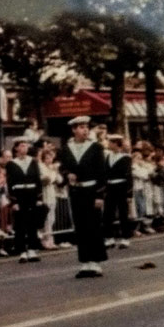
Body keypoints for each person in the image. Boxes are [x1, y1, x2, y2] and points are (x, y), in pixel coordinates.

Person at [59, 116, 108, 278]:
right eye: (81, 127)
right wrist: (68, 174)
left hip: (91, 190)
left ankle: (96, 261)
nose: (85, 130)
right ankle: (85, 262)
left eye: (86, 127)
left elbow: (102, 172)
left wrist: (99, 195)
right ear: (73, 130)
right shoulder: (67, 148)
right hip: (76, 192)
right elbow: (63, 167)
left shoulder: (95, 147)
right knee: (80, 227)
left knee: (93, 225)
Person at [5, 138, 43, 263]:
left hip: (31, 193)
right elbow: (10, 183)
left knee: (32, 222)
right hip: (19, 194)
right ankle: (22, 251)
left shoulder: (33, 161)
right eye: (21, 145)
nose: (24, 148)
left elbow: (38, 180)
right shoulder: (11, 164)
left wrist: (39, 197)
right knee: (20, 223)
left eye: (26, 146)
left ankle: (32, 249)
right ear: (16, 148)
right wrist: (14, 201)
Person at [103, 134, 133, 249]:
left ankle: (125, 237)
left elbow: (129, 176)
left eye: (111, 142)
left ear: (116, 143)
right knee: (107, 214)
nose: (109, 144)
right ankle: (109, 238)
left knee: (123, 213)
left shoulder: (125, 158)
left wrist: (129, 193)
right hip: (110, 187)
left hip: (121, 187)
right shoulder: (108, 156)